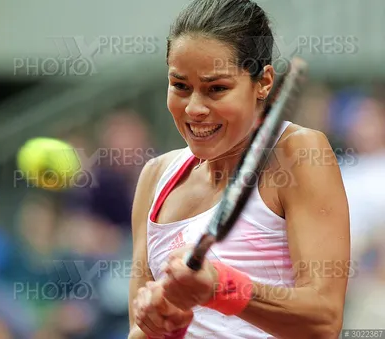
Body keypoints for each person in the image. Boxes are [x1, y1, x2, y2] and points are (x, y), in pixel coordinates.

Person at [129, 0, 350, 338]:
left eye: (216, 88)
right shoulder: (155, 177)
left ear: (263, 82)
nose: (195, 108)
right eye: (180, 86)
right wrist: (162, 322)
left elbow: (324, 320)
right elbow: (141, 333)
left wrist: (220, 287)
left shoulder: (297, 153)